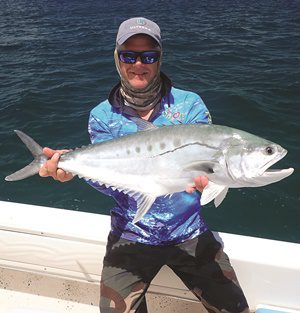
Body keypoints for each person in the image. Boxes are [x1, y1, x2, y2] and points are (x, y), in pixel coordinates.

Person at [39, 17, 249, 313]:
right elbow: (104, 181)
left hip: (190, 234)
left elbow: (210, 166)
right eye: (129, 55)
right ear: (117, 58)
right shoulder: (102, 116)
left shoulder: (189, 105)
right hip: (130, 234)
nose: (139, 64)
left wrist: (212, 178)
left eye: (149, 56)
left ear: (159, 58)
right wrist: (68, 170)